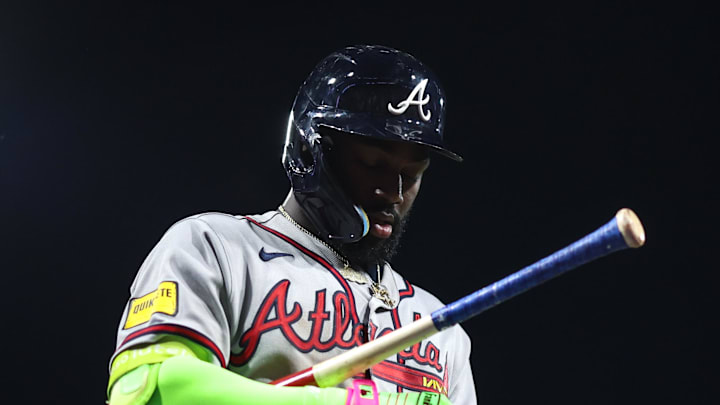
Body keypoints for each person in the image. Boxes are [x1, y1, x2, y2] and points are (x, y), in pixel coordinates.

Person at [107, 45, 476, 405]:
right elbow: (148, 389)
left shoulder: (444, 329)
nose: (393, 193)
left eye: (411, 175)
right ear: (309, 149)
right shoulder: (216, 248)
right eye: (372, 165)